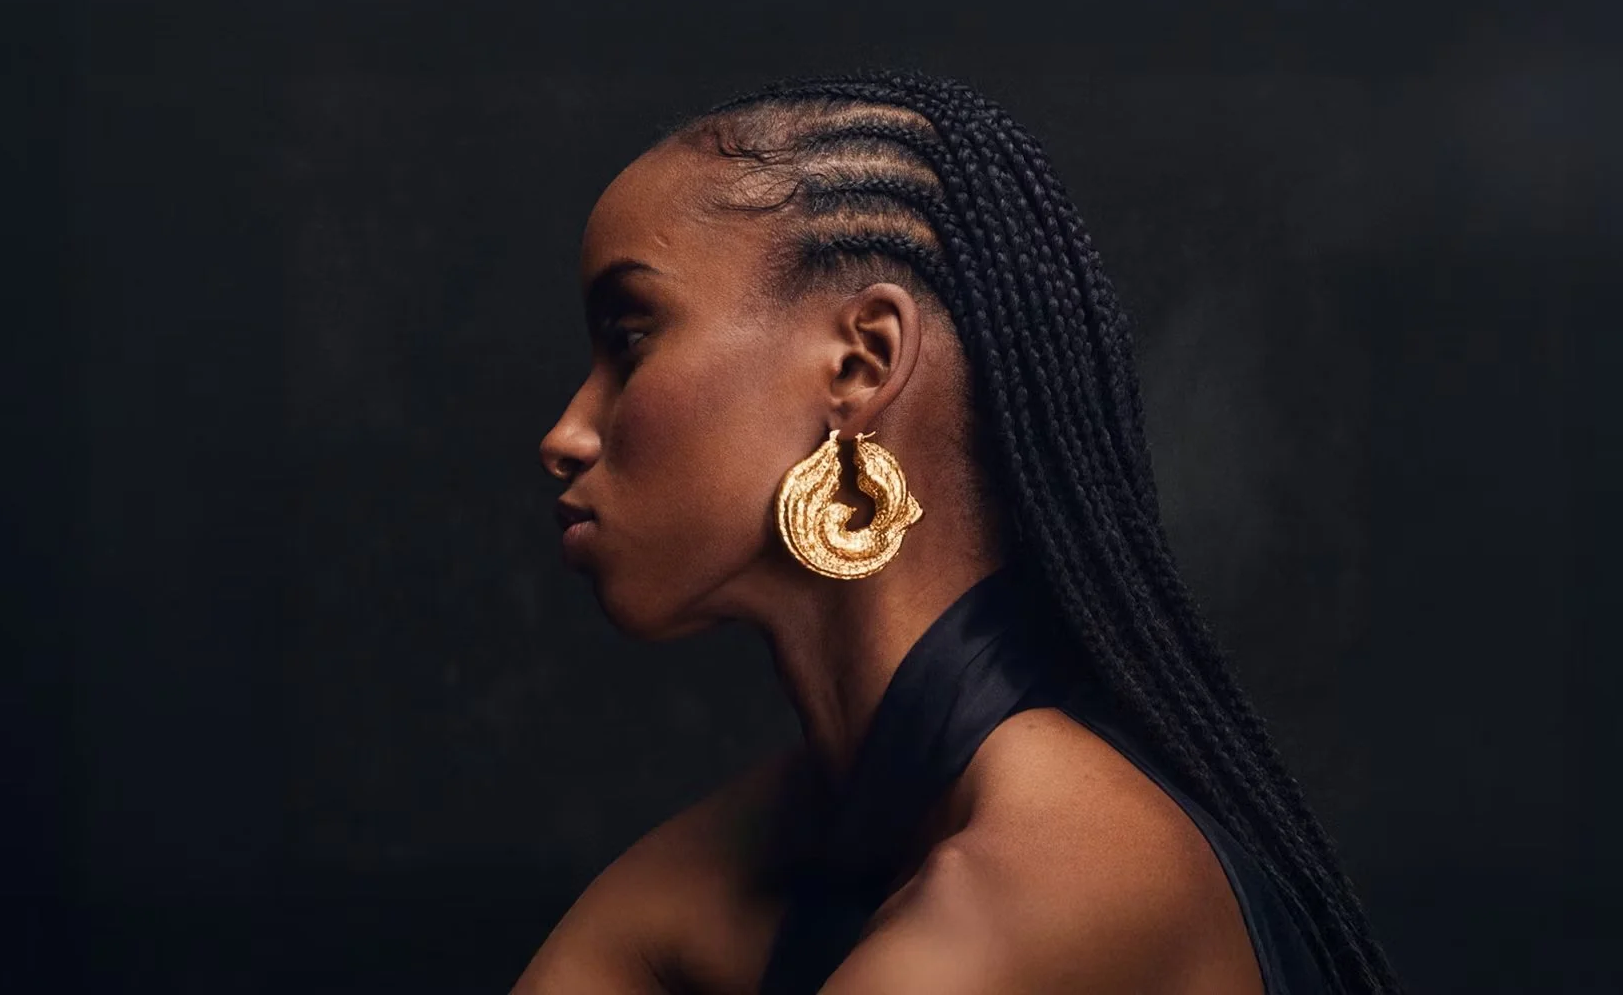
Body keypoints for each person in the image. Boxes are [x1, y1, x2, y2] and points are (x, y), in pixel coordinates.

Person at [522, 71, 1398, 994]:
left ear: (860, 363)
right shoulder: (767, 854)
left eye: (629, 339)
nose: (564, 435)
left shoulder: (1032, 892)